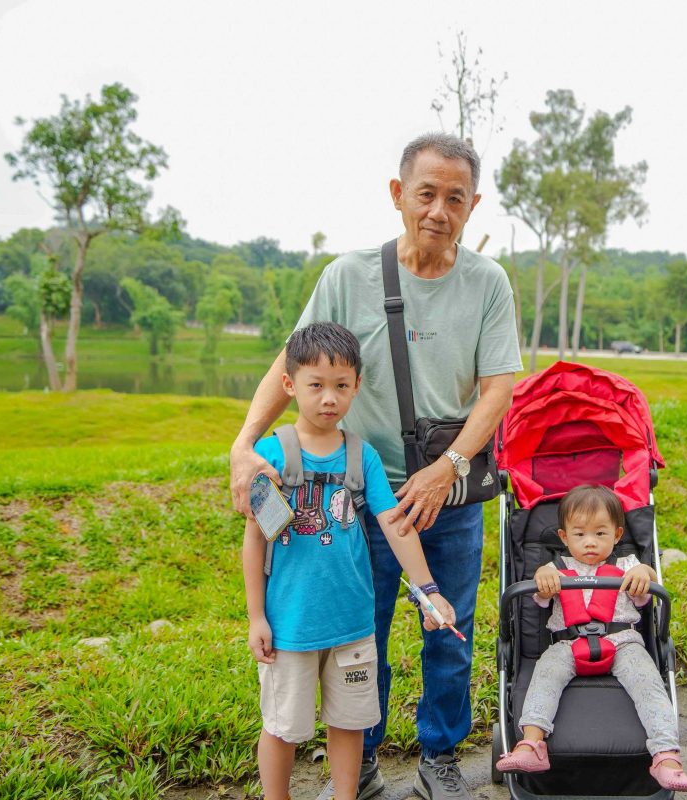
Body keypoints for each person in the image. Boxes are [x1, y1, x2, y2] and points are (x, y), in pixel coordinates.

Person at [230, 132, 522, 800]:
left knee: (448, 631)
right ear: (398, 195)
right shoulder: (347, 276)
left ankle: (439, 758)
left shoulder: (487, 284)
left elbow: (497, 389)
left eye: (456, 198)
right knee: (362, 634)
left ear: (473, 205)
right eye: (426, 194)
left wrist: (450, 465)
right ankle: (359, 764)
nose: (439, 211)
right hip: (357, 494)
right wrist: (245, 442)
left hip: (444, 497)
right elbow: (290, 364)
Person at [241, 322, 456, 800]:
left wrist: (429, 590)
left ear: (357, 385)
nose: (328, 399)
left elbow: (395, 526)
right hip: (290, 625)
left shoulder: (364, 458)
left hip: (353, 623)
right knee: (281, 727)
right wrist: (256, 616)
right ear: (290, 384)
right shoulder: (271, 454)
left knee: (349, 723)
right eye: (315, 385)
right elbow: (255, 541)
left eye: (341, 386)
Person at [494, 485, 687, 793]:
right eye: (580, 534)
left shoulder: (628, 565)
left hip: (623, 641)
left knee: (648, 685)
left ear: (616, 535)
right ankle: (532, 744)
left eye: (600, 534)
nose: (590, 542)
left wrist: (646, 574)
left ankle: (666, 755)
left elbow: (648, 582)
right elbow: (539, 597)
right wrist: (541, 583)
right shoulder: (552, 569)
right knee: (545, 675)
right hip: (567, 644)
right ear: (563, 537)